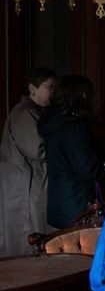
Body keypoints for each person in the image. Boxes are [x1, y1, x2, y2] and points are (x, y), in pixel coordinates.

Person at [0, 67, 56, 256]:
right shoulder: (25, 113)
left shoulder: (32, 111)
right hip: (23, 187)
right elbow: (37, 150)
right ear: (33, 88)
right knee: (27, 238)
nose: (53, 92)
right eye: (49, 87)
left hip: (25, 185)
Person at [38, 75, 105, 229]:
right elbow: (87, 169)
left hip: (60, 204)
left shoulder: (54, 122)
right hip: (78, 207)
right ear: (81, 96)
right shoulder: (74, 128)